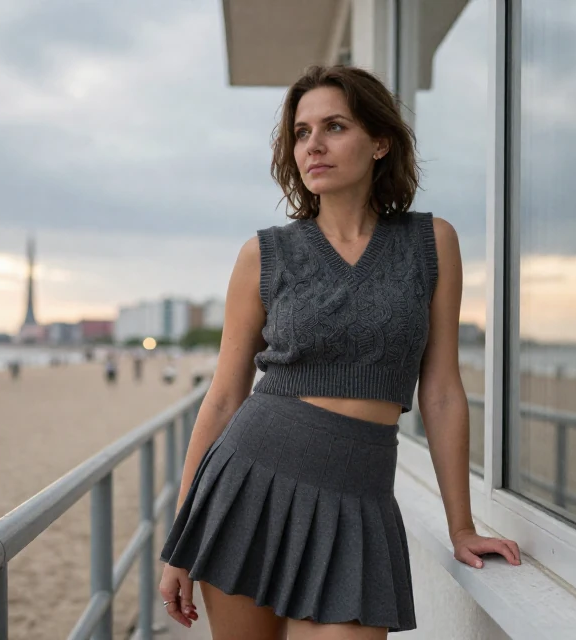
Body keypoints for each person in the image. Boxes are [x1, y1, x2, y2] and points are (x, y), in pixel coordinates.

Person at [159, 65, 520, 638]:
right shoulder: (264, 254)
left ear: (380, 142)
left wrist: (461, 526)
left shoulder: (433, 244)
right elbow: (225, 396)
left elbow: (444, 391)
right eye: (301, 133)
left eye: (334, 126)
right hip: (249, 486)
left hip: (358, 505)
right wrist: (180, 538)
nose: (314, 146)